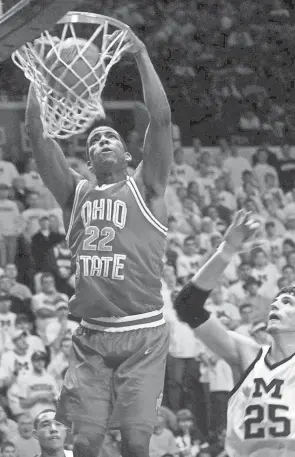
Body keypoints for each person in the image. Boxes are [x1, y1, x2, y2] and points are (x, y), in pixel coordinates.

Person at [25, 27, 172, 457]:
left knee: (135, 443)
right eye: (94, 141)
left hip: (142, 332)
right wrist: (41, 77)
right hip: (91, 336)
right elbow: (38, 136)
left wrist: (141, 55)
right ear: (86, 162)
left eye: (110, 137)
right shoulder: (75, 194)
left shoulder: (148, 187)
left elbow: (161, 120)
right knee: (86, 443)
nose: (103, 140)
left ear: (128, 155)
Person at [173, 209, 295, 457]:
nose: (276, 304)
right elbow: (187, 306)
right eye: (276, 300)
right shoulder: (247, 353)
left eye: (289, 302)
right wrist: (226, 251)